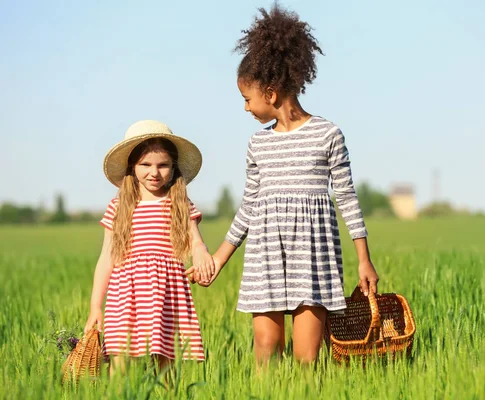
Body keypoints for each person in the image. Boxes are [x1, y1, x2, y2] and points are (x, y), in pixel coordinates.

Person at [206, 4, 379, 364]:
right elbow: (250, 206)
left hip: (312, 255)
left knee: (305, 358)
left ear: (270, 94)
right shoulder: (258, 143)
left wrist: (364, 260)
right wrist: (218, 259)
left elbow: (346, 197)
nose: (245, 108)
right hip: (265, 254)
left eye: (247, 99)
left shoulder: (327, 134)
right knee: (266, 347)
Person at [84, 120, 213, 375]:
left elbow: (196, 241)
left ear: (173, 167)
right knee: (119, 360)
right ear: (132, 166)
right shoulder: (119, 206)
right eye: (146, 164)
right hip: (125, 295)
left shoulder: (180, 203)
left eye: (163, 165)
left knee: (165, 363)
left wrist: (202, 254)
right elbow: (106, 259)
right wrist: (95, 307)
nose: (154, 172)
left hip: (167, 293)